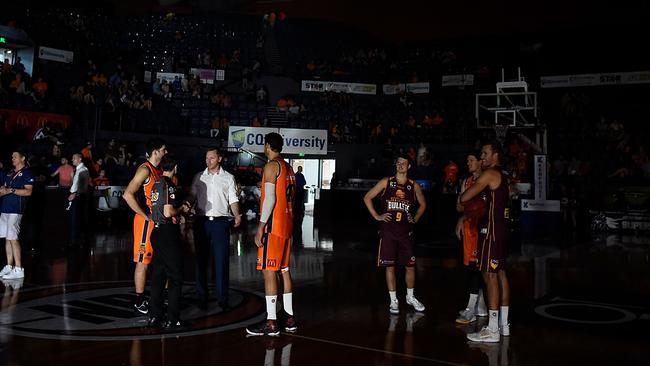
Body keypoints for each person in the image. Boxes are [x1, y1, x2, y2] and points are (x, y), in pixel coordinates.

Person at [246, 133, 297, 336]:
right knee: (283, 270)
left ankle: (271, 322)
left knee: (268, 270)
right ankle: (290, 317)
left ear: (267, 146)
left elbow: (270, 201)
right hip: (287, 224)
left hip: (273, 226)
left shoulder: (271, 166)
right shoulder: (288, 167)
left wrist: (260, 227)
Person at [460, 142, 511, 343]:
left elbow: (465, 198)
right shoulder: (504, 176)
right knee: (501, 274)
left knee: (489, 277)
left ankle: (492, 328)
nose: (482, 157)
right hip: (503, 230)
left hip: (490, 230)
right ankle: (504, 325)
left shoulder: (489, 174)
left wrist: (468, 194)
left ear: (496, 154)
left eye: (485, 153)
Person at [363, 154, 426, 314]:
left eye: (404, 163)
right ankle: (393, 300)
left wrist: (416, 218)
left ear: (409, 166)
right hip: (388, 231)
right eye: (398, 163)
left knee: (410, 266)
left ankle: (410, 297)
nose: (400, 165)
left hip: (406, 232)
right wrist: (377, 216)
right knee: (389, 265)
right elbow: (367, 197)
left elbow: (423, 204)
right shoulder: (387, 181)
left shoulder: (414, 185)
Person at [188, 148, 241, 310]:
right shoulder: (199, 176)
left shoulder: (228, 178)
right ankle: (201, 297)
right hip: (201, 222)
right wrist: (187, 205)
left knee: (221, 261)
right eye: (206, 158)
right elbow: (192, 195)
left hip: (221, 223)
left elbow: (233, 198)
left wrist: (237, 214)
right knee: (201, 261)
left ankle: (222, 299)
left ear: (219, 159)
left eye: (211, 158)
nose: (208, 160)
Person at [123, 138, 167, 314]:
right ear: (155, 151)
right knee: (143, 261)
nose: (166, 152)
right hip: (145, 222)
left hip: (159, 220)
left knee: (162, 261)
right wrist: (144, 215)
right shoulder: (144, 169)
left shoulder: (160, 170)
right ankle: (139, 300)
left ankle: (161, 296)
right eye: (163, 149)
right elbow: (127, 195)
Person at [148, 155, 190, 328]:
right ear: (175, 167)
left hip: (156, 231)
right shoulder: (168, 185)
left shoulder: (156, 183)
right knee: (175, 276)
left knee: (158, 275)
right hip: (166, 232)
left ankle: (154, 315)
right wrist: (182, 208)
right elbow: (168, 212)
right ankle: (173, 318)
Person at [454, 151, 488, 324]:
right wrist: (463, 215)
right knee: (470, 267)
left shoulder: (487, 180)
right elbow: (459, 207)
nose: (468, 163)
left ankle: (470, 308)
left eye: (471, 160)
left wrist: (470, 209)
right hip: (468, 228)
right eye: (467, 160)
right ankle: (480, 305)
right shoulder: (466, 182)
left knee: (476, 268)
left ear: (480, 162)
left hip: (482, 228)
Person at [0, 151, 34, 280]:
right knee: (7, 238)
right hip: (5, 208)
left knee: (13, 238)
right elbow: (5, 188)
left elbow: (28, 192)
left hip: (16, 209)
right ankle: (9, 266)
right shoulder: (9, 172)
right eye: (12, 156)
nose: (12, 158)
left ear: (23, 158)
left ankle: (19, 269)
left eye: (15, 156)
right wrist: (3, 191)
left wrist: (11, 190)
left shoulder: (27, 173)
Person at [68, 153, 91, 248]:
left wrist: (75, 194)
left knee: (78, 219)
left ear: (80, 159)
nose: (72, 159)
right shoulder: (77, 170)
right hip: (76, 196)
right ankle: (76, 241)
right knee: (75, 219)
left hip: (79, 197)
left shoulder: (83, 170)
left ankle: (78, 242)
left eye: (74, 158)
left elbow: (84, 187)